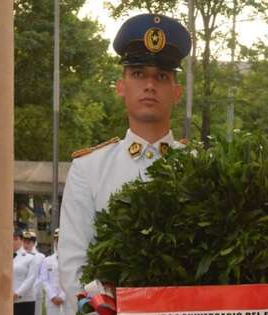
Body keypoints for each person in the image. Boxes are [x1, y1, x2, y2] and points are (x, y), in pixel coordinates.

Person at [58, 13, 191, 314]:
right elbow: (74, 264)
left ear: (177, 92)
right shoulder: (89, 169)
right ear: (121, 86)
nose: (149, 85)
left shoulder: (202, 167)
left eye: (162, 76)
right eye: (138, 73)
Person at [39, 228, 69, 315]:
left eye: (60, 240)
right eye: (56, 240)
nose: (58, 243)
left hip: (67, 299)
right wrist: (52, 296)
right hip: (51, 301)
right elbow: (44, 280)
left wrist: (62, 296)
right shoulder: (47, 260)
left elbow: (70, 279)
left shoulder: (70, 260)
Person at [13, 229, 38, 315]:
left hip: (24, 300)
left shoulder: (30, 258)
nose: (12, 241)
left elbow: (30, 279)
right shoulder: (5, 257)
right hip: (8, 300)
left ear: (20, 240)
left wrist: (17, 294)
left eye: (15, 239)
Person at [22, 229, 46, 315]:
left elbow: (42, 276)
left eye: (28, 243)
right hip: (21, 294)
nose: (26, 245)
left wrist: (32, 288)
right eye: (24, 242)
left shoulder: (40, 257)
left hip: (36, 294)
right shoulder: (19, 256)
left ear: (34, 243)